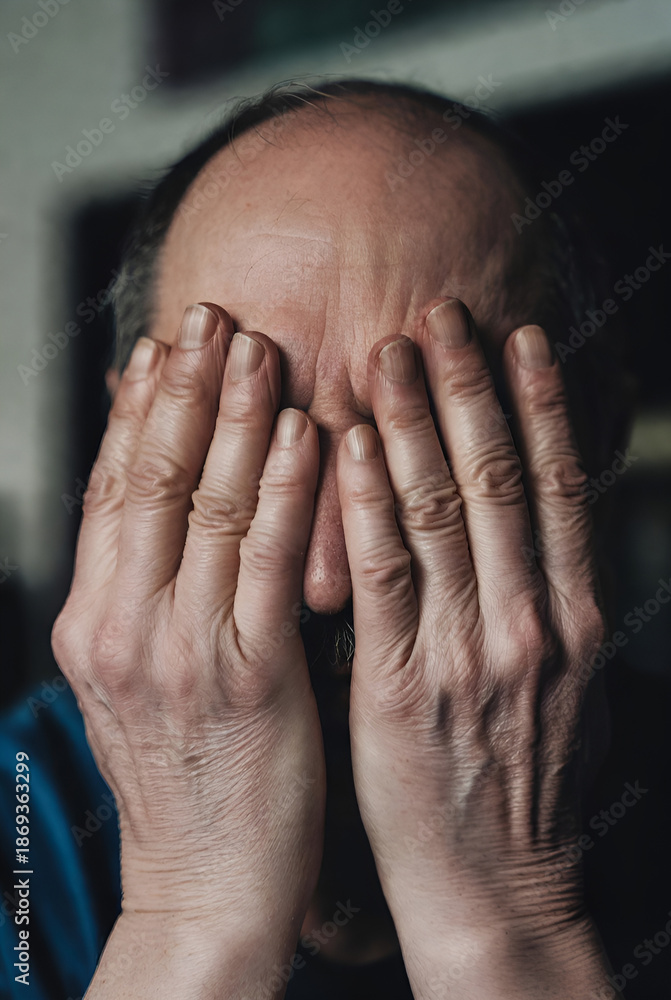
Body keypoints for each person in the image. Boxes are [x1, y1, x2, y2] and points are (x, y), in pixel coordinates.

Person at [2, 78, 649, 998]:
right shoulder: (20, 825)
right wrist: (190, 922)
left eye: (421, 447)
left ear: (592, 442)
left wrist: (504, 922)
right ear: (128, 463)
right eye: (249, 441)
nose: (328, 579)